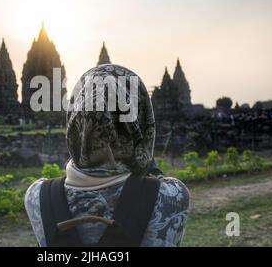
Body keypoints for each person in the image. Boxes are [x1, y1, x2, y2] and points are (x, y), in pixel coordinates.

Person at [25, 64, 189, 247]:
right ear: (141, 119)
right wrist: (140, 155)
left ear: (76, 118)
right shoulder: (171, 195)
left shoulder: (38, 195)